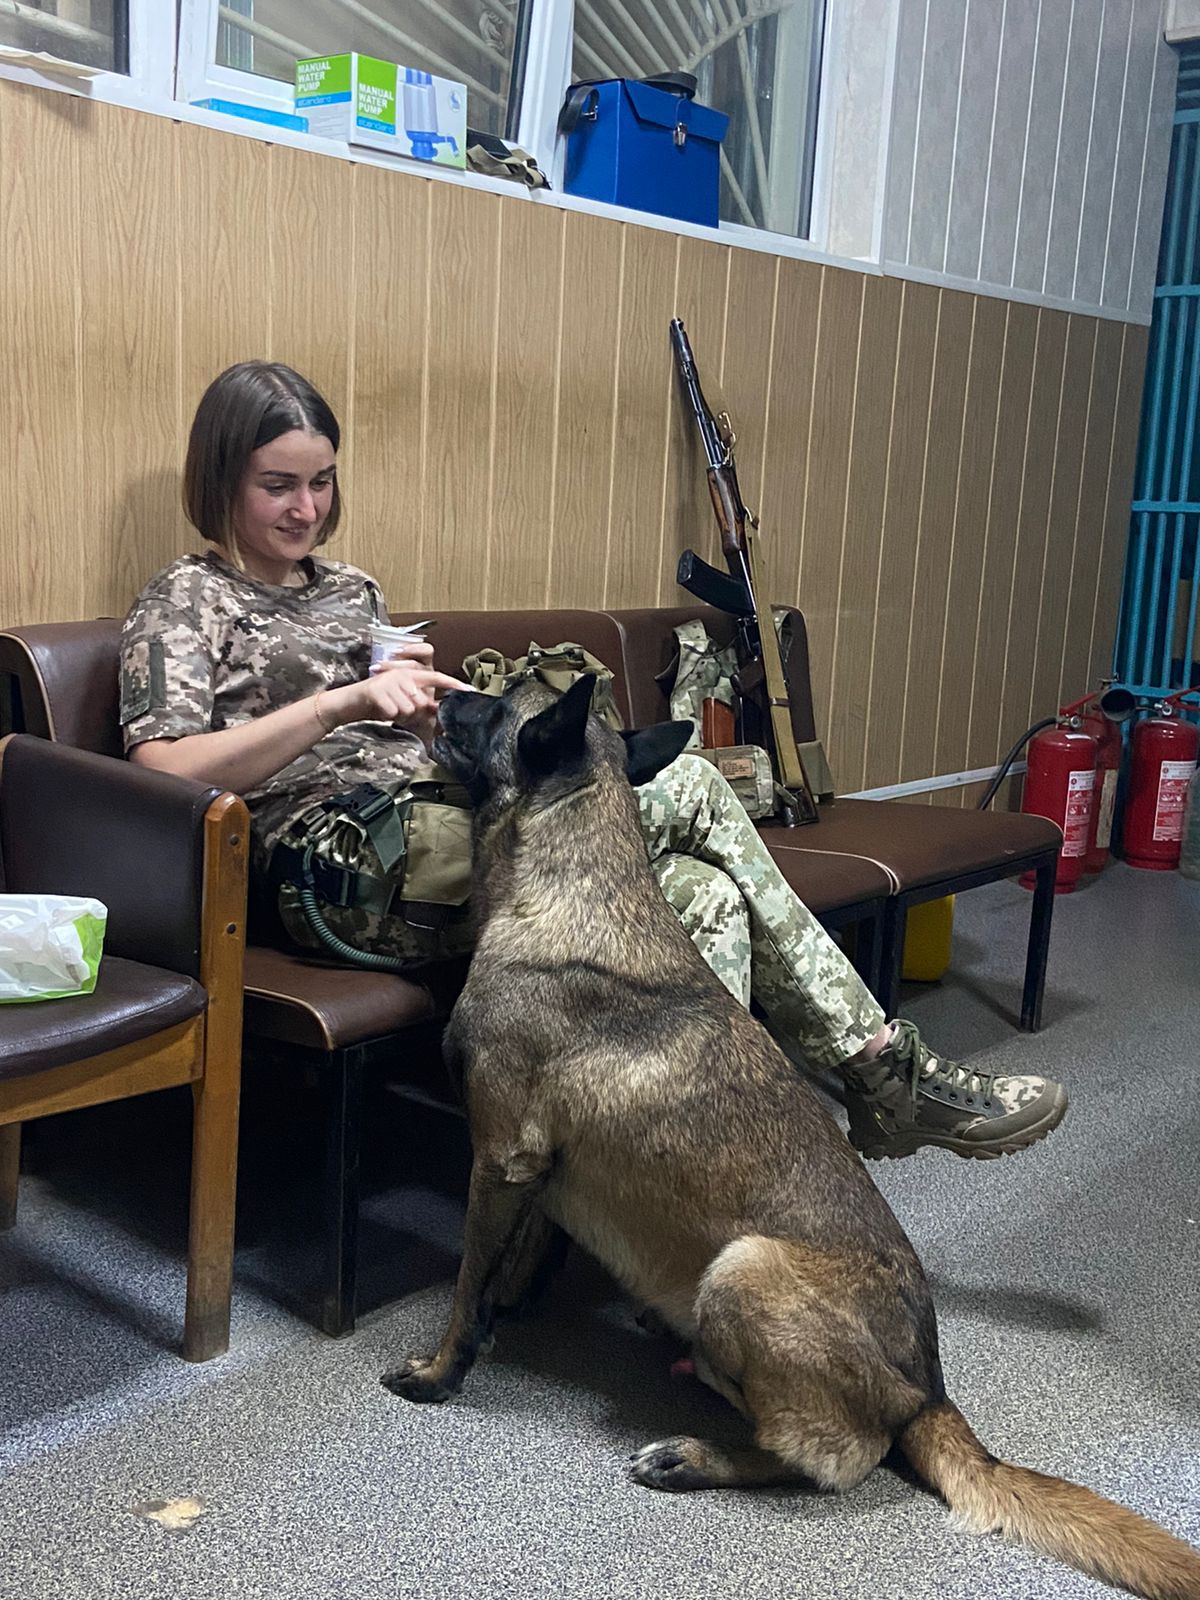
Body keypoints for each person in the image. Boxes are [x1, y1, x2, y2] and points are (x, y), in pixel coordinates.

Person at [120, 361, 1068, 1163]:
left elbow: (399, 736)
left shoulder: (353, 591)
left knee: (705, 894)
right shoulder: (186, 599)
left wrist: (441, 715)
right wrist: (337, 704)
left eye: (322, 482)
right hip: (331, 869)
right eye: (278, 486)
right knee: (691, 784)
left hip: (439, 831)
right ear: (223, 479)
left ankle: (684, 1174)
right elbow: (163, 771)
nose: (306, 508)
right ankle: (884, 1074)